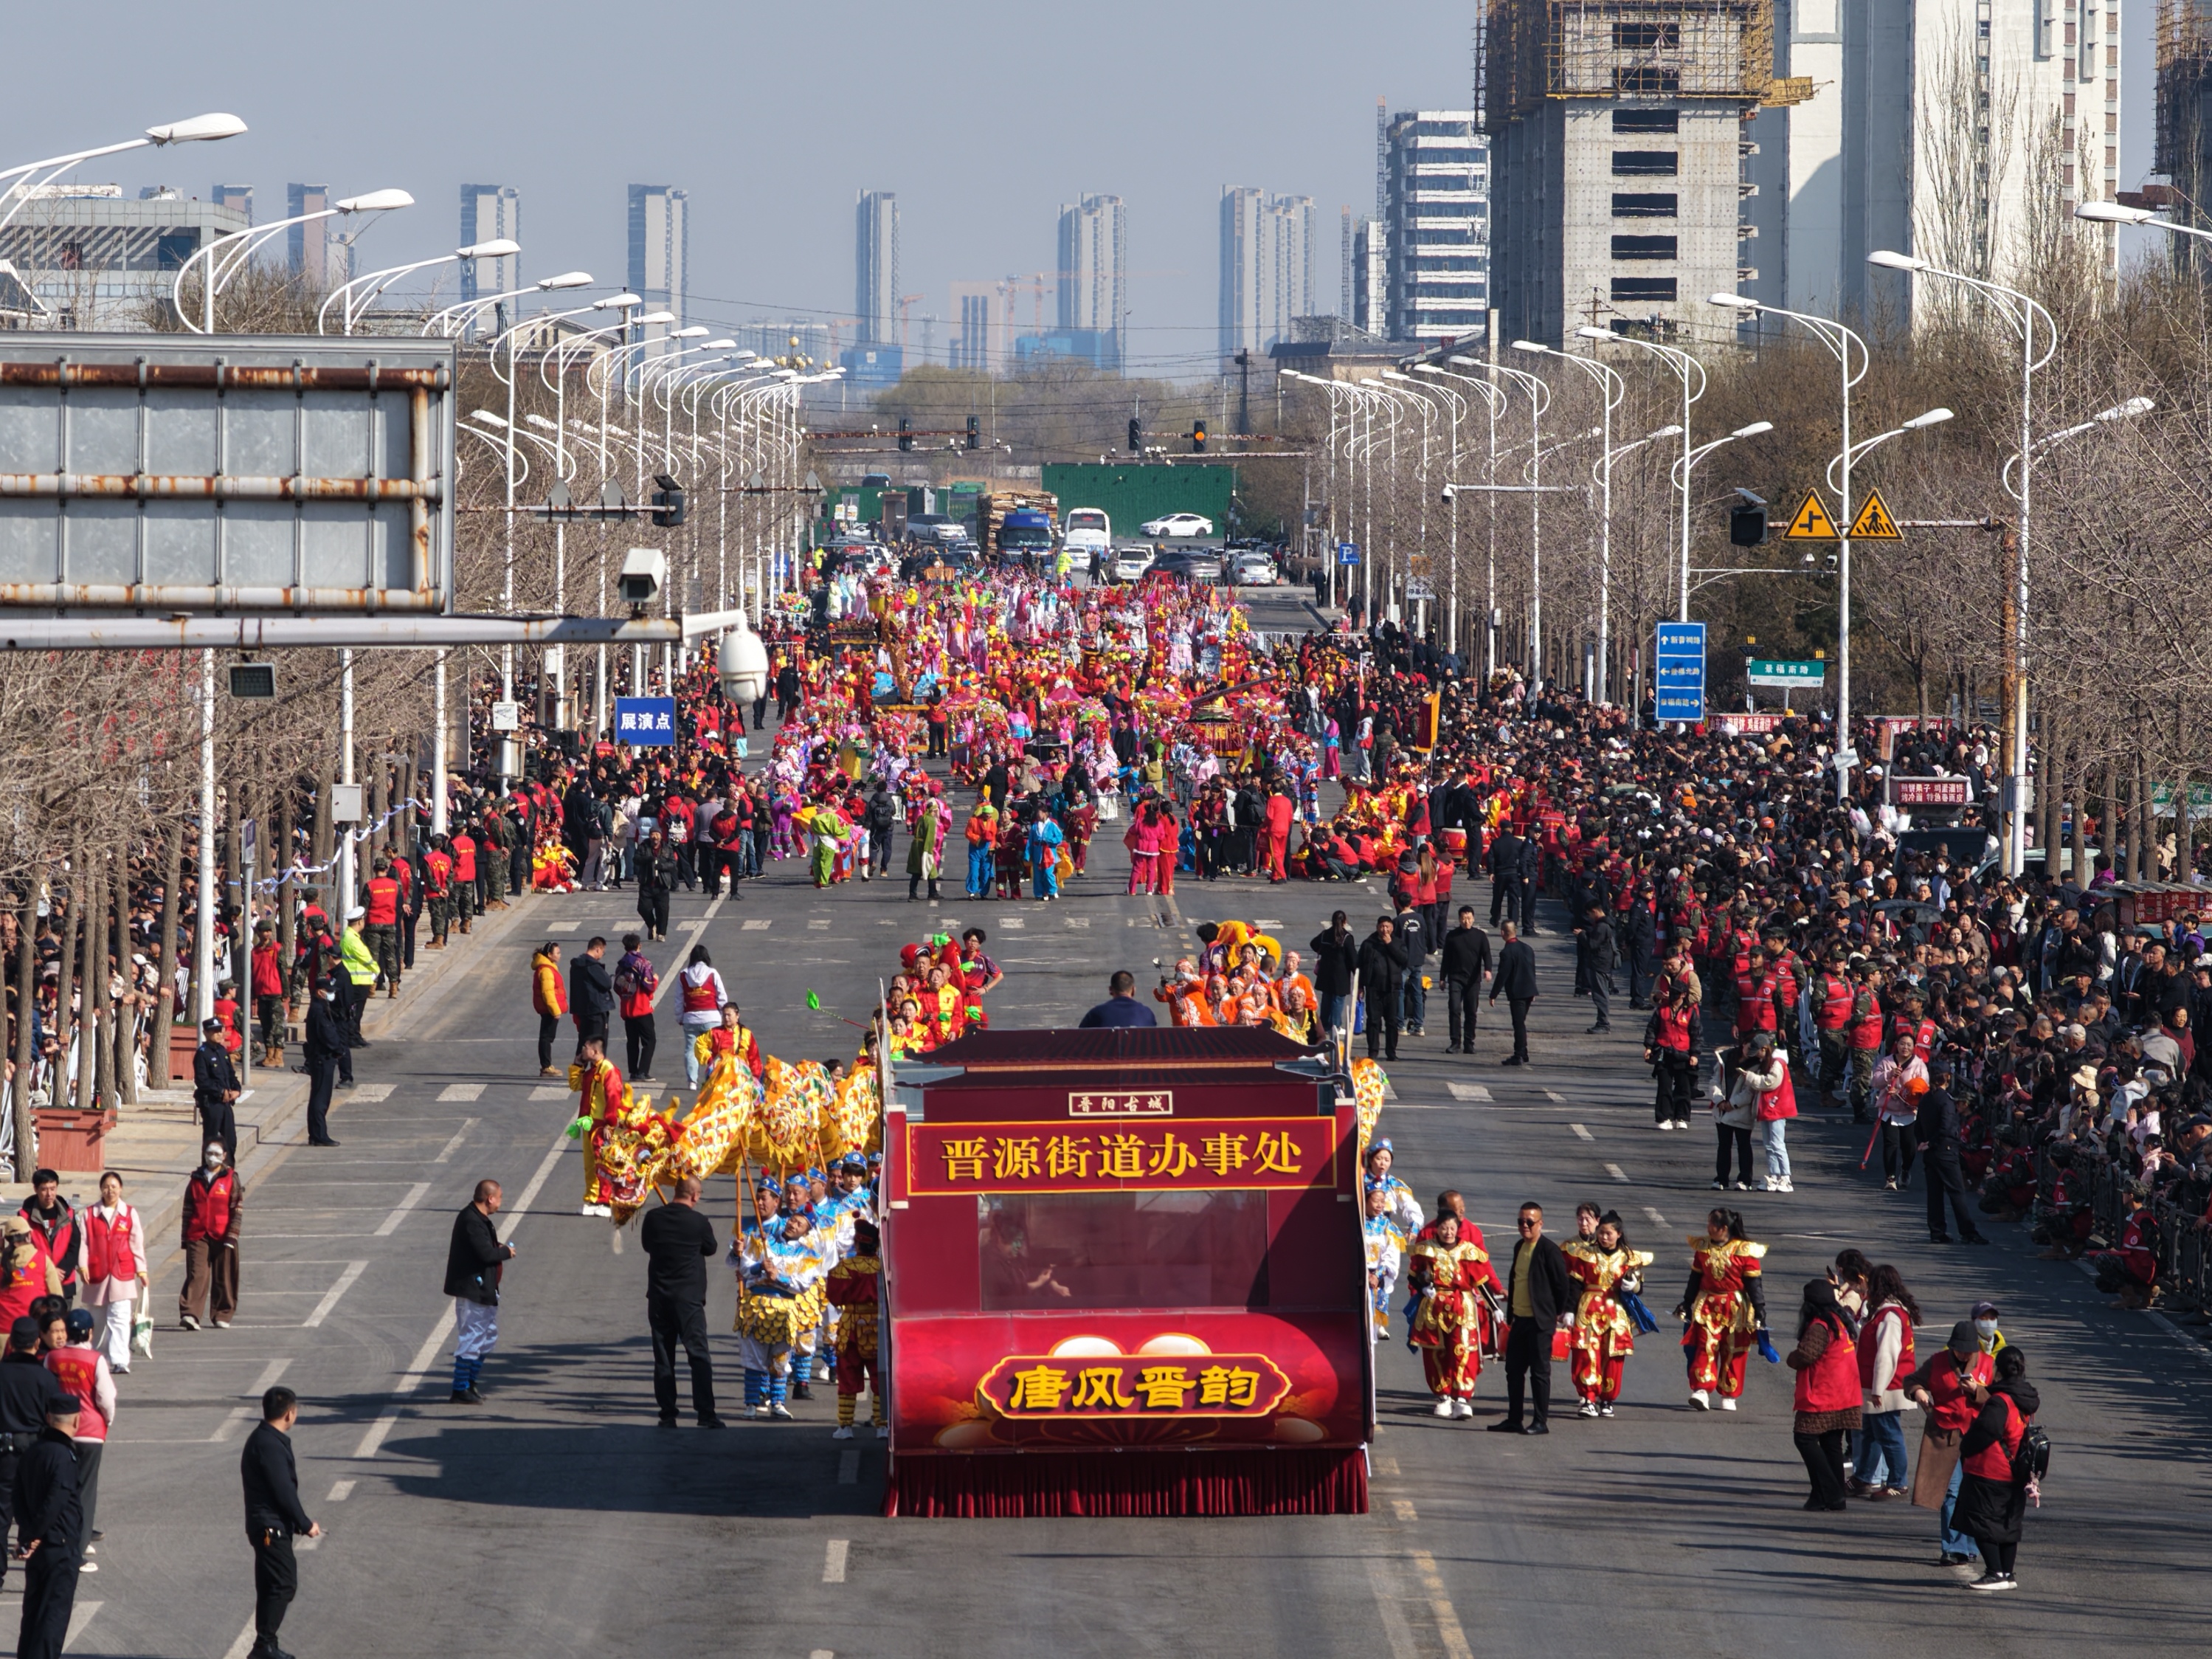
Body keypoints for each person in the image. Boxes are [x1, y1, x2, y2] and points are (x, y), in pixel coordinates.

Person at [1908, 1319, 1998, 1567]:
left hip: (1977, 1438)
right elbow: (1912, 1381)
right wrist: (1919, 1392)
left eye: (1968, 1349)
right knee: (1951, 1491)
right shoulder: (1937, 1362)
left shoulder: (1989, 1365)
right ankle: (1953, 1548)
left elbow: (2000, 1398)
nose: (1964, 1353)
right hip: (1944, 1436)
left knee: (1972, 1493)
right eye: (1959, 1349)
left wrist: (1976, 1392)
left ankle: (1969, 1547)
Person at [241, 1386, 319, 1659]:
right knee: (283, 1583)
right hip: (269, 1528)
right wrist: (305, 1523)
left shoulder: (265, 1439)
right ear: (290, 1414)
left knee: (270, 1585)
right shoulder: (269, 1445)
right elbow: (283, 1490)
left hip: (268, 1525)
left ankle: (265, 1645)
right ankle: (264, 1644)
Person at [1956, 1345, 2039, 1590]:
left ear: (1998, 1371)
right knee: (2008, 1524)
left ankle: (1994, 1572)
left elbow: (1984, 1433)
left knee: (1981, 1521)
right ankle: (2007, 1573)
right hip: (2017, 1470)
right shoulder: (2028, 1398)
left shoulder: (1999, 1401)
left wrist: (1965, 1447)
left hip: (1989, 1470)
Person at [641, 1174, 721, 1427]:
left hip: (659, 1297)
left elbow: (647, 1246)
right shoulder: (698, 1222)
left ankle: (667, 1413)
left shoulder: (653, 1218)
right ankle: (705, 1413)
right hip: (689, 1300)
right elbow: (711, 1248)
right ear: (695, 1195)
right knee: (698, 1355)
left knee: (664, 1357)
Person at [1488, 1201, 1573, 1435]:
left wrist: (1554, 1313)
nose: (1524, 1226)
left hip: (1540, 1322)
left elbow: (1562, 1286)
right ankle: (1514, 1419)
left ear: (1540, 1223)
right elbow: (1516, 1281)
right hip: (1520, 1320)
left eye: (1529, 1222)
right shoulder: (1519, 1247)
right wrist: (1511, 1313)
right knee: (1513, 1371)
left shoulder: (1549, 1250)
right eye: (1520, 1221)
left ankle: (1540, 1421)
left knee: (1539, 1372)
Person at [1563, 1211, 1653, 1418]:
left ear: (1618, 1234)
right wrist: (1569, 1310)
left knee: (1613, 1356)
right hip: (1588, 1311)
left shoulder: (1630, 1258)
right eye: (1601, 1233)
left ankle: (1607, 1399)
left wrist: (1635, 1286)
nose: (1604, 1237)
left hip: (1617, 1313)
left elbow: (1640, 1288)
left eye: (1608, 1234)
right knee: (1586, 1353)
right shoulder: (1586, 1254)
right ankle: (1588, 1398)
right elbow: (1575, 1285)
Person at [12, 1393, 81, 1659]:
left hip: (38, 1546)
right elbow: (57, 1501)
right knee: (52, 1617)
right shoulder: (64, 1456)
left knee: (32, 1615)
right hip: (59, 1546)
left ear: (48, 1417)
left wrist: (27, 1535)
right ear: (76, 1420)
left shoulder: (34, 1451)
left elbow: (17, 1495)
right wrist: (36, 1533)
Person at [1677, 1207, 1767, 1410]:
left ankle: (1729, 1394)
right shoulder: (1703, 1248)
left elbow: (1754, 1283)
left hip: (1736, 1308)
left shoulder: (1745, 1250)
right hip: (1708, 1304)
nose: (1707, 1228)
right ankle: (1701, 1389)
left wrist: (1760, 1308)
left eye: (1711, 1224)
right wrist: (1686, 1301)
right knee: (1705, 1346)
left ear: (1723, 1228)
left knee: (1734, 1349)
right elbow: (1695, 1278)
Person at [1408, 1212, 1496, 1418]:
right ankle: (1443, 1396)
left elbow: (1481, 1282)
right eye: (1444, 1228)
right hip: (1432, 1308)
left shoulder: (1468, 1251)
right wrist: (1423, 1288)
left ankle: (1462, 1397)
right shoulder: (1426, 1250)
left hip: (1462, 1308)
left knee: (1463, 1350)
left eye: (1452, 1229)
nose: (1448, 1233)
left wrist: (1495, 1308)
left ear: (1458, 1230)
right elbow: (1413, 1276)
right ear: (1437, 1228)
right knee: (1435, 1353)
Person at [42, 1309, 110, 1572]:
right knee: (85, 1492)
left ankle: (59, 1539)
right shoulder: (95, 1360)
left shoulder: (52, 1358)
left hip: (60, 1429)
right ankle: (78, 1550)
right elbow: (105, 1398)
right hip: (91, 1430)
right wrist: (107, 1421)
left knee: (61, 1488)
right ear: (90, 1333)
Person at [1786, 1277, 1862, 1511]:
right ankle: (1824, 1496)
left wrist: (1791, 1358)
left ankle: (1830, 1491)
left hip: (1824, 1395)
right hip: (1845, 1393)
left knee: (1805, 1439)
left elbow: (1805, 1356)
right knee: (1831, 1443)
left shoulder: (1819, 1326)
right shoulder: (1841, 1321)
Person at [0, 1318, 62, 1598]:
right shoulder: (46, 1378)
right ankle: (33, 1565)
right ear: (37, 1343)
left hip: (4, 1450)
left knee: (2, 1514)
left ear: (11, 1342)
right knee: (35, 1512)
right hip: (35, 1451)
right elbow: (54, 1419)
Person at [1853, 1263, 1921, 1500]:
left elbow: (1887, 1356)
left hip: (1886, 1388)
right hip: (1880, 1386)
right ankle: (1863, 1477)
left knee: (1889, 1435)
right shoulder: (1889, 1311)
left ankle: (1898, 1482)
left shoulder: (1890, 1316)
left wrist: (1878, 1390)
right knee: (1871, 1434)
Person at [445, 1179, 515, 1404]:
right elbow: (486, 1254)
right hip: (473, 1291)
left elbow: (484, 1247)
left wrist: (500, 1249)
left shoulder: (479, 1219)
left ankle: (470, 1382)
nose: (501, 1202)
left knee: (487, 1338)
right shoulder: (471, 1221)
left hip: (485, 1289)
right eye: (500, 1197)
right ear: (490, 1198)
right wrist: (505, 1252)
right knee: (472, 1338)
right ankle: (460, 1387)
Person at [77, 1173, 146, 1376]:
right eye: (106, 1187)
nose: (110, 1191)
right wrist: (83, 1267)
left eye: (114, 1186)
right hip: (97, 1273)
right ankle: (99, 1358)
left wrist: (141, 1270)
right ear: (101, 1189)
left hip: (121, 1273)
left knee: (120, 1318)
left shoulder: (129, 1213)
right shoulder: (90, 1214)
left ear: (121, 1189)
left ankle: (120, 1360)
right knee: (97, 1319)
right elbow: (83, 1243)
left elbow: (136, 1243)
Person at [1917, 1058, 1990, 1244]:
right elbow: (1946, 1127)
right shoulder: (1946, 1101)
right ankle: (1967, 1231)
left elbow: (1918, 1125)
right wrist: (1931, 1143)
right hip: (1945, 1151)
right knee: (1956, 1192)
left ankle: (1937, 1231)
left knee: (1934, 1194)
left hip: (1931, 1152)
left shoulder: (1926, 1098)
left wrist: (1923, 1142)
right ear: (1947, 1077)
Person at [825, 1218, 886, 1438]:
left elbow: (834, 1297)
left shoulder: (845, 1267)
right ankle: (882, 1426)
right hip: (878, 1326)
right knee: (881, 1377)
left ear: (857, 1244)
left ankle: (845, 1427)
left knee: (848, 1374)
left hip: (851, 1326)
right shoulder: (885, 1267)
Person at [179, 1143, 242, 1331]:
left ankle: (222, 1314)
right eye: (209, 1153)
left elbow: (237, 1209)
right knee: (196, 1273)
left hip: (223, 1234)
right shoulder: (196, 1179)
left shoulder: (231, 1178)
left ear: (224, 1156)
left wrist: (232, 1236)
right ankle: (190, 1314)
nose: (212, 1157)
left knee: (224, 1275)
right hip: (198, 1233)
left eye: (216, 1154)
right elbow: (187, 1209)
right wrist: (185, 1238)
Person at [17, 1173, 77, 1312]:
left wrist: (62, 1271)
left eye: (53, 1188)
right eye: (44, 1189)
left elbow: (74, 1245)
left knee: (60, 1329)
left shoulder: (68, 1214)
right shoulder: (25, 1216)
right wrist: (48, 1270)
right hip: (37, 1281)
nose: (49, 1194)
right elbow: (23, 1249)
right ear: (36, 1189)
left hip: (64, 1280)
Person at [1439, 906, 1492, 1056]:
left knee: (1471, 1012)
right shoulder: (1452, 936)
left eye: (1469, 918)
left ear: (1473, 919)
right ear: (1459, 919)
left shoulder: (1480, 936)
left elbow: (1487, 954)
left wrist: (1487, 970)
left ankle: (1469, 1043)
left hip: (1473, 980)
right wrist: (1442, 978)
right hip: (1455, 978)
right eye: (1463, 918)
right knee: (1455, 1009)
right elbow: (1446, 959)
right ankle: (1455, 1042)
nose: (1466, 921)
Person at [675, 945, 729, 1089]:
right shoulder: (712, 973)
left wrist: (680, 1017)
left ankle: (692, 1081)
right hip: (712, 1018)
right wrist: (724, 1015)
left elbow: (679, 1000)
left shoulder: (684, 975)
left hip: (691, 1018)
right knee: (714, 1049)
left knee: (690, 1050)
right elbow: (721, 996)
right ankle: (713, 1077)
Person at [1357, 915, 1409, 1061]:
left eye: (1387, 927)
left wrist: (1390, 944)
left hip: (1392, 989)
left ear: (1392, 928)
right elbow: (1359, 965)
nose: (1385, 930)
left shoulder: (1398, 942)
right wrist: (1360, 986)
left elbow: (1404, 960)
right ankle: (1373, 1051)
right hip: (1374, 988)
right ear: (1377, 927)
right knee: (1373, 1020)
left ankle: (1391, 1052)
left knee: (1392, 1022)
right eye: (1382, 927)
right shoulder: (1369, 944)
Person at [193, 1016, 242, 1165]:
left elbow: (230, 1074)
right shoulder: (203, 1053)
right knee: (211, 1140)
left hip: (226, 1103)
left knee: (230, 1140)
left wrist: (236, 1089)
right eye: (214, 1031)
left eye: (220, 1030)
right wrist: (220, 1092)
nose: (218, 1034)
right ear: (206, 1033)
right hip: (212, 1103)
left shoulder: (222, 1051)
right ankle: (206, 1169)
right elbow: (202, 1081)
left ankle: (229, 1171)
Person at [303, 978, 346, 1147]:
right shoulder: (318, 1010)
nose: (331, 995)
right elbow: (327, 1034)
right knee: (321, 1099)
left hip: (321, 1058)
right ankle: (319, 1135)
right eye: (329, 992)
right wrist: (339, 1049)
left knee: (318, 1098)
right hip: (322, 1058)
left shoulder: (320, 1007)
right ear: (320, 992)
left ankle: (316, 1134)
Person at [1491, 920, 1538, 1066]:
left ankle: (1519, 1054)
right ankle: (1523, 1052)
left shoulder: (1507, 952)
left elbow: (1502, 975)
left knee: (1518, 1024)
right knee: (1521, 1022)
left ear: (1502, 933)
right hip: (1529, 991)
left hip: (1517, 992)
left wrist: (1493, 994)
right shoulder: (1528, 948)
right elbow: (1532, 970)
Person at [0, 1218, 61, 1332]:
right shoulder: (42, 1259)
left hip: (4, 1326)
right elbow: (56, 1297)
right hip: (34, 1328)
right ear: (29, 1236)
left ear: (7, 1239)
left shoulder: (3, 1261)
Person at [615, 933, 660, 1080]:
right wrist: (656, 980)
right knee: (649, 1040)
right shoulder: (644, 963)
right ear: (639, 945)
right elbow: (649, 985)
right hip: (641, 1007)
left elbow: (617, 986)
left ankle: (633, 1071)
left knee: (632, 1041)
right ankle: (643, 1071)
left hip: (627, 1008)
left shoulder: (621, 964)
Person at [338, 906, 379, 1046]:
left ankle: (355, 1034)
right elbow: (366, 957)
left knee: (356, 1012)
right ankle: (352, 1036)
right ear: (360, 922)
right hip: (357, 980)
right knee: (355, 1012)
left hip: (358, 979)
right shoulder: (352, 939)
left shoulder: (349, 936)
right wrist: (376, 969)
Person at [1576, 902, 1617, 1033]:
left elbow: (1592, 944)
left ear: (1595, 911)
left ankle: (1603, 1023)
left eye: (1590, 914)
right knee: (1601, 993)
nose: (1589, 917)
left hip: (1600, 964)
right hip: (1603, 963)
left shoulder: (1602, 927)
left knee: (1600, 994)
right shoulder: (1606, 925)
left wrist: (1582, 935)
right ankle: (1602, 1022)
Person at [570, 935, 615, 1053]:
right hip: (596, 1010)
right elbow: (607, 983)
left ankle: (578, 1069)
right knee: (598, 1046)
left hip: (583, 1010)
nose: (601, 956)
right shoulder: (593, 966)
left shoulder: (576, 965)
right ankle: (597, 1071)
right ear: (598, 949)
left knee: (584, 1043)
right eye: (602, 952)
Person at [530, 941, 567, 1077]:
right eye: (557, 953)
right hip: (549, 1009)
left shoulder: (549, 967)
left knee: (547, 1037)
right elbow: (548, 993)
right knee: (546, 1037)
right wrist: (555, 1011)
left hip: (549, 1008)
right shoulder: (546, 970)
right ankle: (546, 1066)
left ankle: (546, 1065)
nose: (560, 955)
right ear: (549, 955)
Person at [1077, 970, 1158, 1029]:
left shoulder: (1096, 1014)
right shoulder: (1147, 1013)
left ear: (1111, 990)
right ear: (1133, 990)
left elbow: (1080, 1038)